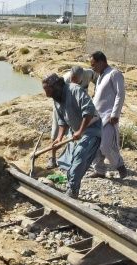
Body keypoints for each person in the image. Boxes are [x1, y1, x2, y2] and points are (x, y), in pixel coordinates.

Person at [42, 73, 102, 199]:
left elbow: (89, 111)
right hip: (76, 130)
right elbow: (62, 121)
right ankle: (72, 185)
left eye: (47, 89)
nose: (46, 94)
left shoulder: (75, 90)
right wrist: (59, 138)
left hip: (91, 128)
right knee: (71, 161)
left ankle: (72, 191)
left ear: (56, 86)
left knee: (79, 155)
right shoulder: (56, 97)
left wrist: (80, 131)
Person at [47, 65, 98, 169]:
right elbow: (61, 117)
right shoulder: (64, 80)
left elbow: (97, 80)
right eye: (72, 81)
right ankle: (52, 158)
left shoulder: (89, 74)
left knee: (82, 131)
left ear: (82, 78)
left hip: (79, 106)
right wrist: (60, 137)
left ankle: (82, 159)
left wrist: (96, 93)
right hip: (62, 106)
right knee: (56, 132)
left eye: (76, 82)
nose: (73, 84)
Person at [88, 51, 128, 179]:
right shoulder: (100, 76)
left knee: (106, 146)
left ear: (101, 62)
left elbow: (120, 94)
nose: (92, 68)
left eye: (93, 65)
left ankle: (120, 166)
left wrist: (115, 114)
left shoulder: (114, 74)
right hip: (97, 117)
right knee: (95, 145)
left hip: (109, 117)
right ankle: (99, 171)